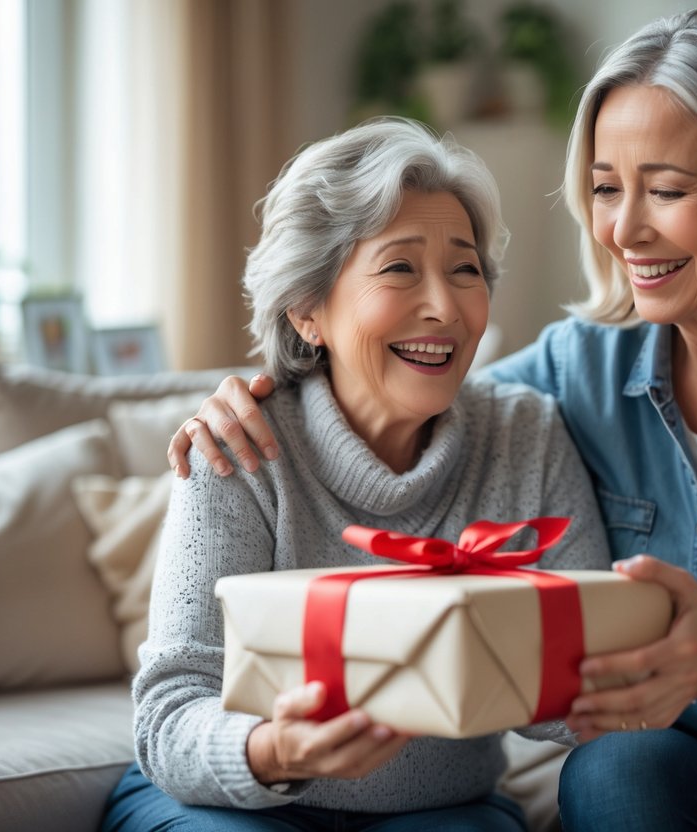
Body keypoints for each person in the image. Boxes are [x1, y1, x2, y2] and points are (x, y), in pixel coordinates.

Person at [170, 8, 697, 831]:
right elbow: (413, 381)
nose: (623, 229)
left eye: (666, 190)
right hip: (685, 753)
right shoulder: (579, 365)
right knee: (616, 769)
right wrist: (264, 384)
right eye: (606, 189)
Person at [104, 117, 612, 832]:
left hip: (439, 812)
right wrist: (275, 750)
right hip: (232, 804)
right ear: (308, 311)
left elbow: (572, 699)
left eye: (464, 268)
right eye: (399, 267)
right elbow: (167, 712)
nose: (443, 305)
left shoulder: (524, 434)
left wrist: (596, 680)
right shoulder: (237, 446)